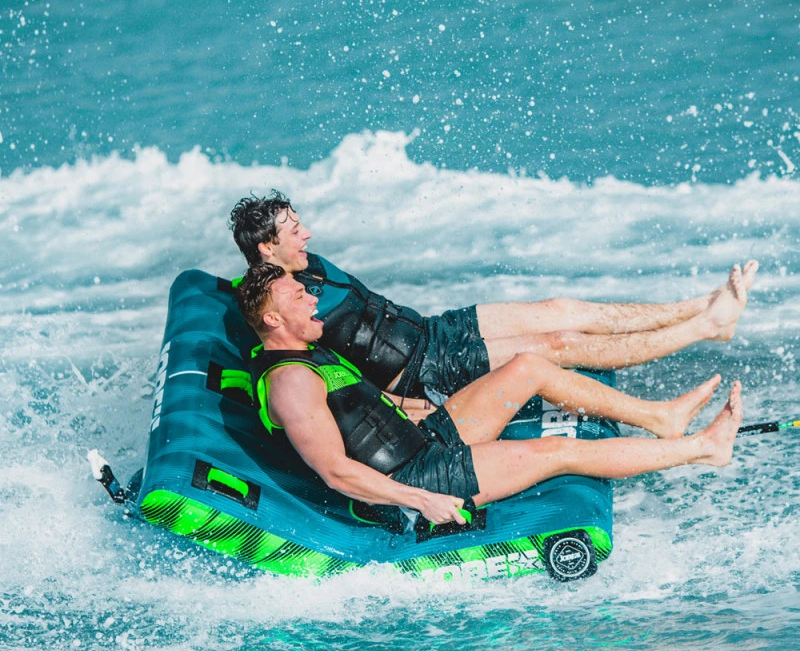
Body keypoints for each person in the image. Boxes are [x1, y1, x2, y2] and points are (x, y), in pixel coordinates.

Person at [235, 262, 743, 527]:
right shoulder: (291, 384)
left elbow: (359, 407)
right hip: (420, 476)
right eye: (299, 297)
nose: (313, 298)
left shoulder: (309, 349)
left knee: (529, 367)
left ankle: (659, 418)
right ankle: (703, 448)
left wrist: (417, 409)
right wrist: (422, 499)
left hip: (424, 438)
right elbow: (336, 471)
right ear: (274, 318)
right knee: (557, 452)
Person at [228, 192, 758, 405]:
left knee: (560, 309)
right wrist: (404, 406)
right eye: (294, 230)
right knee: (560, 342)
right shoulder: (282, 309)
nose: (308, 234)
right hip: (421, 369)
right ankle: (706, 327)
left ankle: (704, 306)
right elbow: (325, 376)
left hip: (431, 330)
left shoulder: (305, 265)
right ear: (266, 247)